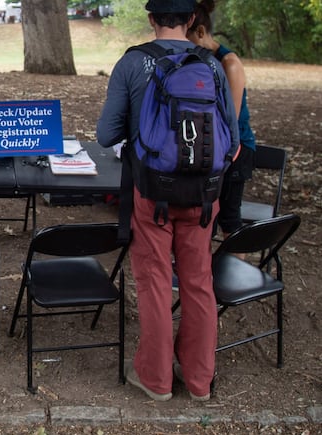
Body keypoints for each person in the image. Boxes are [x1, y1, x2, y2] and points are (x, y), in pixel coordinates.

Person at [96, 0, 240, 402]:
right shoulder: (212, 66)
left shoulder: (132, 64)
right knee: (199, 283)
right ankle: (198, 380)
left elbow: (106, 134)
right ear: (192, 19)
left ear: (151, 18)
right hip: (204, 197)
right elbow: (233, 139)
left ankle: (156, 379)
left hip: (152, 193)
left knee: (155, 281)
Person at [187, 0, 256, 243]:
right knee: (204, 219)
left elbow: (231, 120)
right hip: (207, 145)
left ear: (201, 32)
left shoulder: (230, 63)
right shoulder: (195, 60)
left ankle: (236, 276)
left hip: (235, 148)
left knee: (230, 220)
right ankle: (205, 275)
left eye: (188, 39)